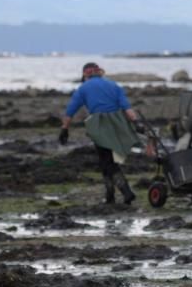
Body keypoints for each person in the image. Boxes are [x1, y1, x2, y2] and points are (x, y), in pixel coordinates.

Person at [59, 62, 142, 205]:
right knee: (108, 160)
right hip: (118, 123)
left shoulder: (83, 88)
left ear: (85, 74)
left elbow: (70, 111)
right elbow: (127, 107)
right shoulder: (113, 85)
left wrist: (64, 129)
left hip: (99, 123)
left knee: (106, 160)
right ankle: (110, 195)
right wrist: (136, 123)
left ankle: (126, 191)